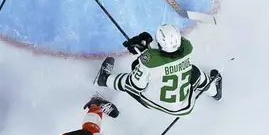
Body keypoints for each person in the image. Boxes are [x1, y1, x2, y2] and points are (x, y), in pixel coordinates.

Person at [94, 24, 222, 116]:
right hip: (187, 104)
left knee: (132, 81)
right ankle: (215, 92)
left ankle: (104, 79)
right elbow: (167, 54)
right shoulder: (187, 48)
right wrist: (147, 47)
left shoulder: (150, 63)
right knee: (195, 72)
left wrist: (142, 55)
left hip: (159, 103)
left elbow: (136, 85)